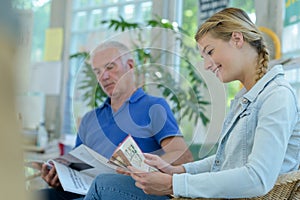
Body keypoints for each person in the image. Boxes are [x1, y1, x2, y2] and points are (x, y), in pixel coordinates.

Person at [83, 7, 300, 200]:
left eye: (210, 52)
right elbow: (224, 161)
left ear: (237, 39)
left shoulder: (277, 97)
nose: (206, 65)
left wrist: (173, 184)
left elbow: (257, 178)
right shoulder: (246, 99)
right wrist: (176, 171)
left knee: (103, 184)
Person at [37, 41, 193, 200]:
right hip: (91, 191)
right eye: (97, 72)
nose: (103, 77)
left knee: (102, 184)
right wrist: (60, 178)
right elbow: (77, 168)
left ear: (130, 66)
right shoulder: (89, 119)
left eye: (110, 67)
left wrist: (142, 165)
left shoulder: (153, 107)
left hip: (136, 191)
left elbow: (183, 157)